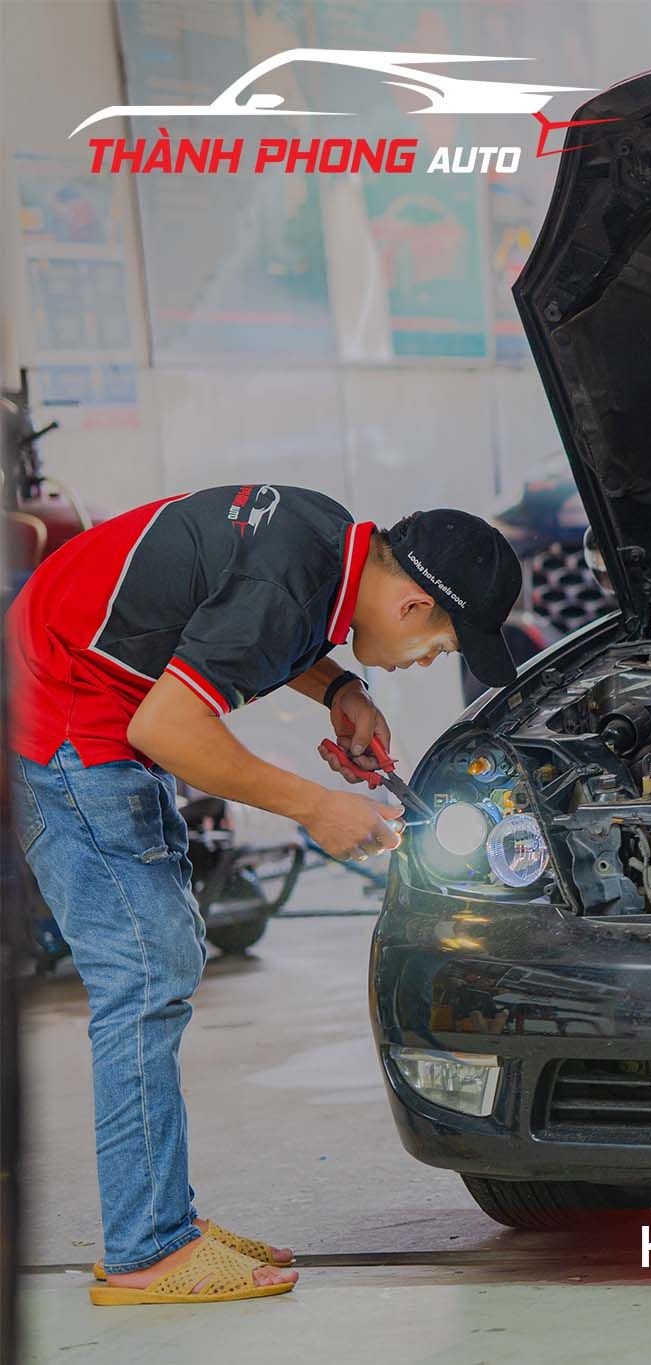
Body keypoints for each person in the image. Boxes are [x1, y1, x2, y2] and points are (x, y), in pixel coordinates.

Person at [7, 487, 519, 1305]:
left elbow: (233, 619)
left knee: (163, 955)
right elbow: (167, 728)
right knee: (144, 972)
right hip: (65, 714)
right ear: (413, 604)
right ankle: (146, 1250)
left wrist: (339, 689)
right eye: (439, 645)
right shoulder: (292, 583)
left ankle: (163, 1221)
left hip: (82, 689)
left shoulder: (326, 544)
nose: (425, 660)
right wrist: (316, 806)